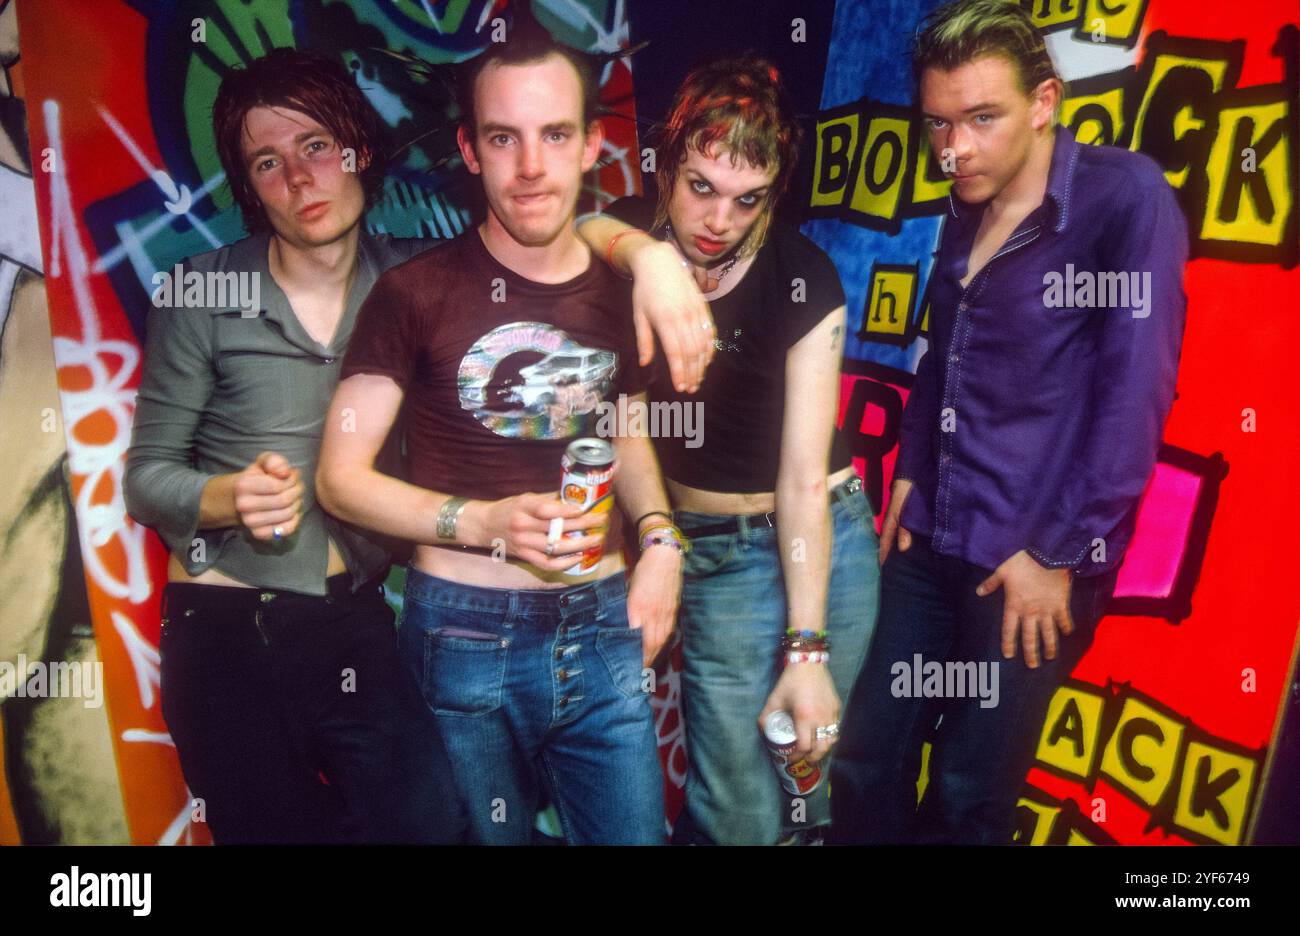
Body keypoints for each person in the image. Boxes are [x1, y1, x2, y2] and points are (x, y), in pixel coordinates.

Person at [829, 0, 1187, 844]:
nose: (955, 149)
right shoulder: (963, 206)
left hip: (1032, 563)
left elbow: (1134, 394)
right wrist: (911, 471)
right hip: (934, 538)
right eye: (939, 125)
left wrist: (1059, 554)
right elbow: (942, 359)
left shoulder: (1124, 198)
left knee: (966, 797)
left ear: (1045, 102)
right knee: (866, 759)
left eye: (981, 118)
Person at [316, 25, 683, 845]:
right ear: (470, 150)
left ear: (592, 144)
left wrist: (661, 538)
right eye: (502, 137)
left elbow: (622, 428)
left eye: (555, 134)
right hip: (463, 633)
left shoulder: (624, 288)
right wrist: (478, 522)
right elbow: (340, 476)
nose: (529, 166)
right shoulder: (415, 291)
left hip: (604, 626)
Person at [123, 47, 468, 844]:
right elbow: (147, 479)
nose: (300, 178)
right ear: (250, 188)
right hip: (224, 633)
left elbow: (543, 246)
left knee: (427, 825)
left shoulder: (417, 280)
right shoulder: (201, 292)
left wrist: (646, 256)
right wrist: (225, 497)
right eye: (267, 162)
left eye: (316, 146)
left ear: (358, 149)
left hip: (353, 623)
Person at [576, 54, 880, 845]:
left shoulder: (803, 280)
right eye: (700, 187)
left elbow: (803, 480)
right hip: (715, 552)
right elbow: (625, 414)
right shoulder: (631, 251)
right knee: (737, 811)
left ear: (773, 195)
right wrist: (647, 259)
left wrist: (806, 649)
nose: (717, 219)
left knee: (808, 781)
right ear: (667, 166)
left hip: (825, 539)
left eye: (746, 200)